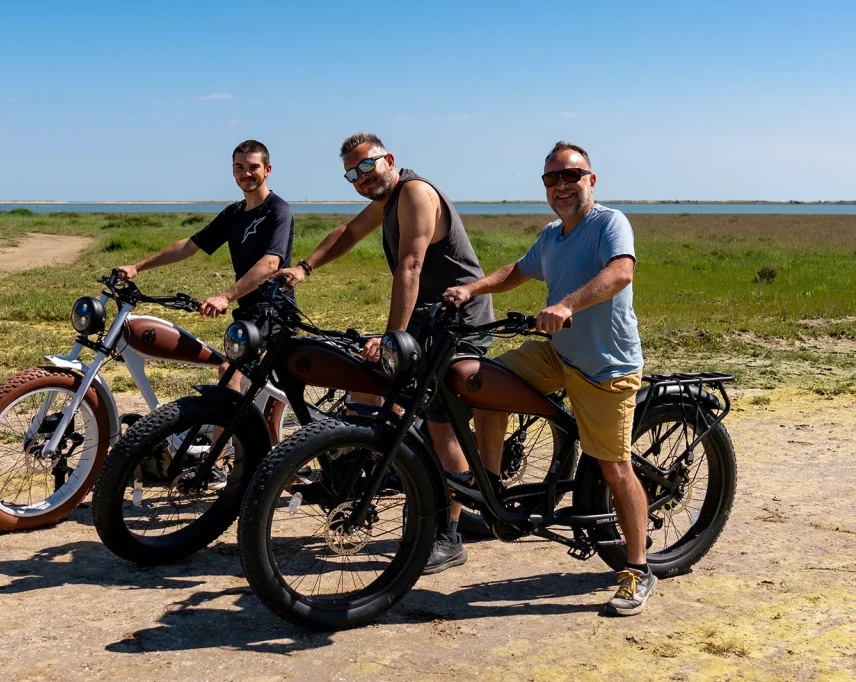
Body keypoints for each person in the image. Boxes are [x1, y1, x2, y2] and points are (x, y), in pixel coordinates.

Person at [443, 141, 654, 616]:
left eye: (571, 176)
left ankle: (637, 570)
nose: (561, 185)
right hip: (558, 355)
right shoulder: (552, 235)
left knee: (613, 467)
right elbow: (517, 271)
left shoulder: (609, 223)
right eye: (551, 178)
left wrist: (566, 305)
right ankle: (492, 491)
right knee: (483, 381)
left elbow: (620, 272)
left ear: (591, 180)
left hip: (606, 366)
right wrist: (470, 288)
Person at [275, 132, 493, 574]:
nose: (360, 178)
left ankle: (448, 537)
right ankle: (366, 466)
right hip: (426, 318)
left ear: (388, 159)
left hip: (459, 321)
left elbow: (411, 265)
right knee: (367, 378)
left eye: (366, 166)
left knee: (437, 421)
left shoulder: (413, 192)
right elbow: (348, 232)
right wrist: (304, 267)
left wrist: (393, 337)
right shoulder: (386, 199)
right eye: (350, 174)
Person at [116, 140, 296, 487]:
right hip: (248, 313)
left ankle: (216, 463)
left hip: (274, 311)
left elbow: (271, 263)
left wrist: (225, 295)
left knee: (230, 372)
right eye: (239, 167)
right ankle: (236, 453)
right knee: (244, 382)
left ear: (267, 170)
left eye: (253, 167)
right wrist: (138, 266)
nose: (246, 173)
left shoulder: (279, 210)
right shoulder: (233, 214)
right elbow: (190, 245)